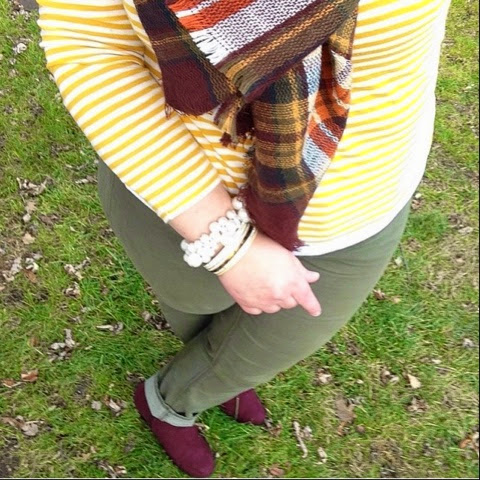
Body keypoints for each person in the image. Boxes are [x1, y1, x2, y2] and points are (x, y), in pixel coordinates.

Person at [38, 0, 451, 477]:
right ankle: (192, 391)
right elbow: (90, 43)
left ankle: (172, 399)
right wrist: (227, 244)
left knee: (260, 352)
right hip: (178, 202)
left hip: (358, 212)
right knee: (195, 315)